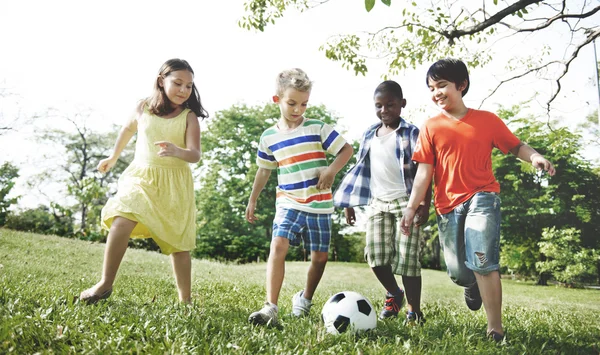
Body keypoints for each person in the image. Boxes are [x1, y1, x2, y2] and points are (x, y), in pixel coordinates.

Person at [400, 58, 555, 341]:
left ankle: (495, 329)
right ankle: (471, 283)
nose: (436, 92)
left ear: (462, 85)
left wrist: (534, 156)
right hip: (447, 207)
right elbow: (424, 172)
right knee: (459, 272)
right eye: (431, 87)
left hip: (483, 197)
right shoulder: (431, 127)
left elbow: (515, 145)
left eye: (442, 85)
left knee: (484, 261)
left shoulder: (487, 120)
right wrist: (411, 208)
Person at [79, 58, 208, 304]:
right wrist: (113, 156)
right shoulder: (143, 107)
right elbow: (127, 129)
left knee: (178, 244)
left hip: (174, 184)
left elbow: (195, 154)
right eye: (178, 83)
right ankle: (105, 285)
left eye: (189, 86)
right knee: (121, 220)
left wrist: (177, 151)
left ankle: (186, 301)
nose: (184, 90)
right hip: (142, 175)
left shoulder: (189, 117)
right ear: (161, 81)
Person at [245, 68, 354, 326]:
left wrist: (331, 170)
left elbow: (346, 150)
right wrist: (252, 199)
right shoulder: (268, 137)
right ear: (277, 100)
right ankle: (270, 306)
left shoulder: (317, 128)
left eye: (304, 104)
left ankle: (304, 299)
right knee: (278, 245)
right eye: (292, 103)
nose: (298, 109)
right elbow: (264, 170)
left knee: (319, 258)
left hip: (320, 204)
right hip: (288, 200)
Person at [333, 80, 432, 325]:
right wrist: (349, 203)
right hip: (378, 203)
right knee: (375, 257)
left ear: (402, 104)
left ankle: (414, 311)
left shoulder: (412, 133)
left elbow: (426, 172)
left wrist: (424, 205)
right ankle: (394, 293)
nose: (384, 110)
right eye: (379, 105)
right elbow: (360, 169)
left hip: (406, 202)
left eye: (390, 104)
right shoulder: (369, 133)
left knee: (408, 261)